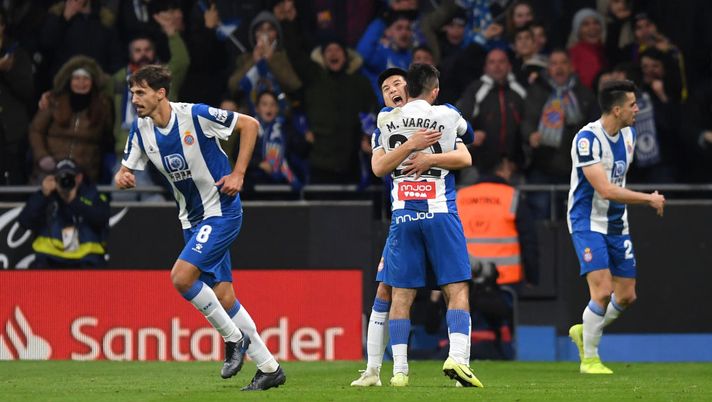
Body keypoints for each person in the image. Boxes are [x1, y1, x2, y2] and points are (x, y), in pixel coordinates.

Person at [114, 65, 285, 391]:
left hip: (221, 212)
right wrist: (123, 176)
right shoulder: (141, 130)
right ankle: (269, 368)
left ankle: (233, 340)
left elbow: (249, 125)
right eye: (132, 93)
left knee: (181, 277)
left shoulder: (195, 115)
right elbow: (126, 169)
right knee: (223, 295)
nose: (134, 99)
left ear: (160, 93)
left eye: (140, 92)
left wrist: (238, 174)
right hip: (190, 220)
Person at [351, 66, 472, 387]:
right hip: (410, 218)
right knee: (390, 289)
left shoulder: (430, 119)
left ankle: (400, 369)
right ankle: (378, 369)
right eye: (386, 87)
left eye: (397, 83)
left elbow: (463, 155)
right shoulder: (386, 123)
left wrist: (428, 158)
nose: (392, 89)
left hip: (420, 218)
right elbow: (378, 167)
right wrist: (411, 145)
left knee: (408, 290)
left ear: (410, 88)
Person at [566, 80, 665, 374]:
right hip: (587, 223)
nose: (637, 109)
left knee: (626, 295)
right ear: (617, 109)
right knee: (602, 291)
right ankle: (590, 359)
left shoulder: (630, 136)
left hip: (616, 224)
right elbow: (606, 190)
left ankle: (585, 329)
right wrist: (648, 198)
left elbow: (617, 185)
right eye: (633, 105)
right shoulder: (587, 139)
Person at [17, 159, 109, 268]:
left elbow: (102, 219)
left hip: (86, 260)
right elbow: (24, 222)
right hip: (50, 259)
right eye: (61, 178)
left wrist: (74, 200)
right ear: (54, 180)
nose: (66, 181)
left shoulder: (92, 195)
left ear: (79, 178)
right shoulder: (45, 197)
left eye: (70, 177)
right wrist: (43, 195)